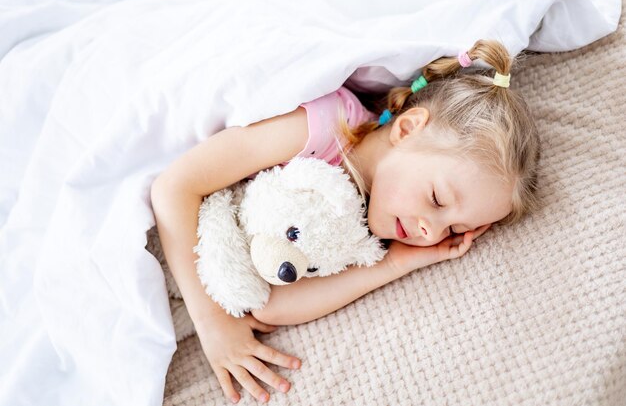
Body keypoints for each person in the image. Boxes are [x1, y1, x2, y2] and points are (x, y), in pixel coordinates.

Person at [150, 39, 541, 404]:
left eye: (454, 229)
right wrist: (214, 322)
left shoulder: (373, 225)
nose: (432, 231)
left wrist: (396, 263)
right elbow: (175, 187)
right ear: (407, 129)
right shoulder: (323, 129)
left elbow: (271, 306)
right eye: (437, 200)